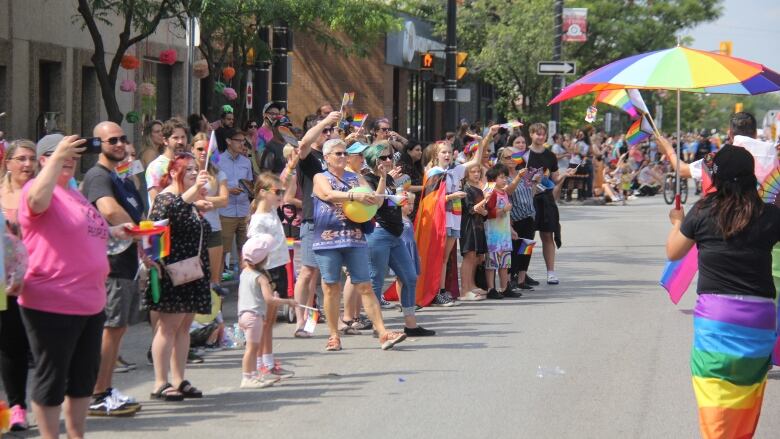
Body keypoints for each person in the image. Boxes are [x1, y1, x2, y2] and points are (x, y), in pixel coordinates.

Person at [19, 134, 131, 439]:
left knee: (83, 377)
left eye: (73, 153)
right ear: (44, 159)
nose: (69, 157)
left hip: (90, 301)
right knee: (53, 376)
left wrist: (115, 231)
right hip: (52, 300)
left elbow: (87, 233)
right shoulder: (38, 189)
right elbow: (35, 203)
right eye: (59, 153)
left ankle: (76, 436)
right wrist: (57, 159)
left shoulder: (74, 194)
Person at [665, 145, 780, 439]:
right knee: (746, 393)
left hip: (717, 319)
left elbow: (674, 251)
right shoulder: (769, 214)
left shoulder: (704, 209)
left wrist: (677, 222)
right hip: (760, 321)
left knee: (714, 397)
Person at [312, 139, 407, 351]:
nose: (343, 156)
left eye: (345, 153)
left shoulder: (356, 177)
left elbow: (377, 201)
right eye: (338, 153)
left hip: (354, 237)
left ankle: (383, 333)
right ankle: (334, 335)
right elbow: (327, 194)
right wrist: (355, 195)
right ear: (326, 157)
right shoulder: (320, 177)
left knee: (365, 285)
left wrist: (382, 179)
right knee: (330, 287)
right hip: (328, 238)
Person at [81, 122, 144, 417]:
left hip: (128, 261)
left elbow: (136, 206)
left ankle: (105, 388)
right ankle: (98, 392)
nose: (119, 144)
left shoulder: (121, 177)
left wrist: (141, 237)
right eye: (112, 140)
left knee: (118, 329)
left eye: (122, 138)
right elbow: (108, 210)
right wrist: (140, 230)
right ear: (98, 144)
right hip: (111, 263)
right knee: (111, 329)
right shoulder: (97, 175)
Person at [146, 153, 212, 402]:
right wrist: (194, 192)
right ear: (174, 173)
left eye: (197, 169)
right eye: (189, 170)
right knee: (167, 327)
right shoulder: (165, 198)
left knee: (184, 327)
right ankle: (160, 382)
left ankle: (178, 378)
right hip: (172, 270)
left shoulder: (191, 201)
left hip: (192, 270)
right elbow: (161, 223)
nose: (195, 173)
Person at [362, 144, 434, 336]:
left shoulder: (391, 178)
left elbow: (396, 198)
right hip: (378, 233)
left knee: (409, 276)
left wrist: (401, 196)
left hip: (395, 233)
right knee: (376, 280)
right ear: (373, 160)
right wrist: (384, 178)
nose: (388, 160)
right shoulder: (367, 179)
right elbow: (376, 202)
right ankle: (378, 327)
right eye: (383, 158)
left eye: (390, 157)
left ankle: (410, 324)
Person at [426, 125, 495, 305]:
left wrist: (481, 142)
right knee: (438, 256)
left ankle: (441, 290)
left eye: (449, 152)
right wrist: (452, 196)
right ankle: (435, 291)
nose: (447, 155)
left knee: (446, 258)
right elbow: (430, 200)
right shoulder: (434, 173)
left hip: (454, 219)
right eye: (443, 152)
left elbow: (475, 161)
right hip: (441, 220)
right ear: (436, 155)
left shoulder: (454, 170)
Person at [292, 111, 341, 336]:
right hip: (313, 219)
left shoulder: (331, 156)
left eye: (331, 130)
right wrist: (325, 121)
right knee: (308, 271)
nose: (329, 133)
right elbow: (303, 143)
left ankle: (333, 317)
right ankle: (300, 320)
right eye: (325, 131)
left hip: (334, 218)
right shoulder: (308, 156)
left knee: (331, 273)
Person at [0, 139, 36, 431]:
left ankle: (18, 407)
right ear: (8, 162)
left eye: (31, 159)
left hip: (32, 280)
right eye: (21, 159)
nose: (27, 164)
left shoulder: (40, 194)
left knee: (16, 345)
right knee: (7, 344)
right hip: (1, 280)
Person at [247, 173, 296, 379]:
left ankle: (267, 361)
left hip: (278, 267)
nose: (281, 195)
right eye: (277, 192)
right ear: (262, 193)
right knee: (264, 321)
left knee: (271, 320)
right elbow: (252, 252)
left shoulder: (272, 211)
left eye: (281, 192)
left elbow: (284, 179)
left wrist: (292, 164)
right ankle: (260, 363)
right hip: (266, 271)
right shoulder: (258, 220)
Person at [237, 234, 296, 389]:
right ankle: (248, 377)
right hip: (254, 316)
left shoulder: (244, 273)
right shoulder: (261, 277)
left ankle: (252, 375)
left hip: (243, 314)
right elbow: (270, 300)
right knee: (252, 348)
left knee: (250, 348)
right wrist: (288, 301)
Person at [527, 123, 574, 285]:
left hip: (546, 200)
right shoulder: (524, 155)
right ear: (531, 134)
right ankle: (521, 273)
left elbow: (554, 179)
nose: (540, 137)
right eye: (537, 134)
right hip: (528, 200)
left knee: (548, 235)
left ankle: (551, 272)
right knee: (527, 237)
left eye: (543, 134)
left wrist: (565, 175)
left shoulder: (550, 156)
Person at [191, 133, 229, 293]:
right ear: (192, 149)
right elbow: (178, 197)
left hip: (213, 228)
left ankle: (215, 311)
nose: (203, 152)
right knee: (193, 275)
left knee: (214, 276)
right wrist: (195, 203)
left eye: (206, 149)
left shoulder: (218, 173)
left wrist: (205, 201)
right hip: (191, 229)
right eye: (199, 149)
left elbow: (224, 200)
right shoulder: (186, 172)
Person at [500, 143, 538, 291]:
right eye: (507, 157)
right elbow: (507, 192)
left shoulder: (523, 173)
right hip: (515, 218)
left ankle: (522, 279)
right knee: (513, 250)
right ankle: (510, 280)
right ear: (502, 160)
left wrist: (535, 181)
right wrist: (518, 178)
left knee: (526, 248)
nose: (511, 159)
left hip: (529, 215)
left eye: (514, 156)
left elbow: (531, 193)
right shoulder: (503, 177)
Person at [218, 128, 254, 274]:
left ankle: (244, 282)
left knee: (246, 250)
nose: (242, 144)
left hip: (244, 210)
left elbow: (250, 183)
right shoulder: (218, 160)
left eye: (243, 141)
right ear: (228, 141)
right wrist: (228, 190)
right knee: (222, 251)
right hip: (226, 211)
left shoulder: (246, 162)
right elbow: (213, 186)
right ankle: (216, 284)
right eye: (238, 141)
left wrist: (249, 189)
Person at [483, 164, 521, 299]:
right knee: (492, 263)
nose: (504, 180)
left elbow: (506, 216)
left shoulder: (503, 192)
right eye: (501, 177)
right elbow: (488, 213)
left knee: (505, 262)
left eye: (505, 177)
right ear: (493, 178)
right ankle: (491, 288)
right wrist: (504, 210)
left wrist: (511, 230)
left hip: (504, 233)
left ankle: (505, 287)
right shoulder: (491, 192)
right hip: (493, 234)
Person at [459, 164, 488, 301]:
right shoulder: (466, 189)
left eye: (478, 172)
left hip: (478, 225)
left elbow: (483, 212)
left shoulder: (479, 189)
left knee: (475, 257)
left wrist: (484, 210)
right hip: (468, 226)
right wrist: (485, 200)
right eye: (473, 172)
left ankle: (471, 285)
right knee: (469, 256)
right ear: (467, 174)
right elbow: (471, 209)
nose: (476, 174)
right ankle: (464, 289)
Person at [145, 118, 188, 209]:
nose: (180, 141)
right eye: (175, 138)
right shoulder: (156, 167)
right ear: (165, 140)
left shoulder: (189, 161)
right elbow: (156, 203)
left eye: (183, 137)